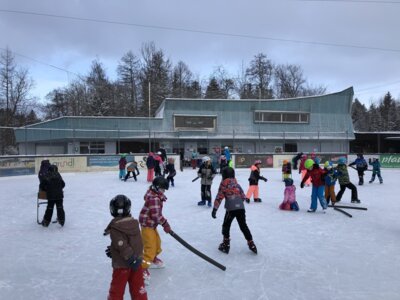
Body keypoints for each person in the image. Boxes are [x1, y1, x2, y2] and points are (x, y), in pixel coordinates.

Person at [104, 195, 148, 300]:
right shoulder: (134, 224)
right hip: (137, 262)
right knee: (138, 287)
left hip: (122, 265)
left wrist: (130, 257)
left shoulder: (115, 228)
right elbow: (133, 242)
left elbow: (122, 244)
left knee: (117, 289)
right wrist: (114, 250)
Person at [211, 167, 257, 254]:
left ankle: (226, 244)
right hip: (241, 208)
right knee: (243, 226)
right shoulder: (237, 184)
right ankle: (251, 244)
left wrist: (214, 209)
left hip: (231, 209)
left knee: (226, 226)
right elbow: (243, 196)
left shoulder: (223, 185)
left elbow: (219, 197)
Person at [139, 177, 172, 286]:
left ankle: (152, 259)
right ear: (157, 188)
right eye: (163, 189)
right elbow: (156, 215)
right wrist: (165, 224)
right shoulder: (154, 199)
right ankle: (142, 269)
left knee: (157, 244)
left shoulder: (155, 195)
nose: (164, 192)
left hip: (151, 225)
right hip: (147, 226)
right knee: (150, 249)